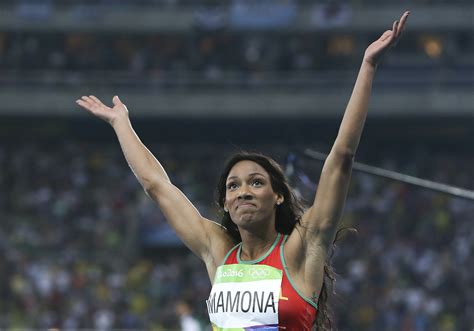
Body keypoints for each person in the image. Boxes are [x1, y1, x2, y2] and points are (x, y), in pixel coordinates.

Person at [76, 11, 410, 331]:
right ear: (225, 202)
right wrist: (122, 124)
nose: (243, 191)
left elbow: (341, 157)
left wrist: (367, 66)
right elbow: (157, 186)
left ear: (278, 195)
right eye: (233, 186)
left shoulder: (300, 249)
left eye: (255, 182)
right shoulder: (219, 252)